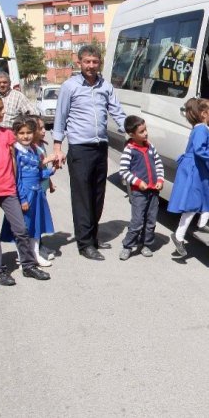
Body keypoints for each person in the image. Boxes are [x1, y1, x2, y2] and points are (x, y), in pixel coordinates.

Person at [52, 45, 127, 261]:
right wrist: (57, 146)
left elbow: (117, 112)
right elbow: (60, 116)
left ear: (99, 63)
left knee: (97, 195)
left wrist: (130, 131)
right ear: (79, 63)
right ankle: (85, 244)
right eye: (87, 62)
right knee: (82, 196)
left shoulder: (105, 86)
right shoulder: (70, 86)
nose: (91, 66)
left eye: (95, 62)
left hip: (100, 146)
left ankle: (93, 236)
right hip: (80, 148)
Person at [0, 95, 51, 285]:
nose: (3, 112)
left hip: (9, 190)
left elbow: (18, 158)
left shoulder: (7, 134)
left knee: (21, 229)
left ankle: (28, 265)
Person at [168, 98, 209, 257]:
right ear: (204, 114)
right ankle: (178, 236)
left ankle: (202, 223)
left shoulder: (203, 129)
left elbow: (203, 148)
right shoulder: (201, 130)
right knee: (191, 204)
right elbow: (199, 151)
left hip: (199, 168)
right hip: (194, 169)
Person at [1, 115, 56, 268]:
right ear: (15, 134)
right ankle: (24, 255)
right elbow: (16, 178)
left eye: (29, 132)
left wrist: (52, 170)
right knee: (24, 227)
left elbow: (38, 174)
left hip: (37, 193)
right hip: (25, 194)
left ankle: (35, 253)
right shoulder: (16, 153)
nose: (26, 136)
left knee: (36, 226)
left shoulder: (33, 150)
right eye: (22, 133)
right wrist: (23, 199)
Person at [118, 115, 165, 261]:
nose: (146, 133)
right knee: (137, 221)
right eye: (142, 131)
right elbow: (123, 171)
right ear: (132, 134)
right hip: (139, 193)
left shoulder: (150, 146)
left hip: (153, 191)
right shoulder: (129, 150)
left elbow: (158, 164)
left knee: (151, 220)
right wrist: (138, 182)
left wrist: (160, 179)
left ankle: (146, 244)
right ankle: (127, 246)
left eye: (146, 130)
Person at [31, 115, 58, 260]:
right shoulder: (30, 148)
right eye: (39, 128)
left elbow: (45, 169)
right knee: (34, 218)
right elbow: (36, 165)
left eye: (44, 128)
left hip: (43, 186)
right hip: (34, 188)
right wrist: (49, 159)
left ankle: (40, 243)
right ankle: (36, 247)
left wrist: (51, 183)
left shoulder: (41, 144)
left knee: (40, 216)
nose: (43, 131)